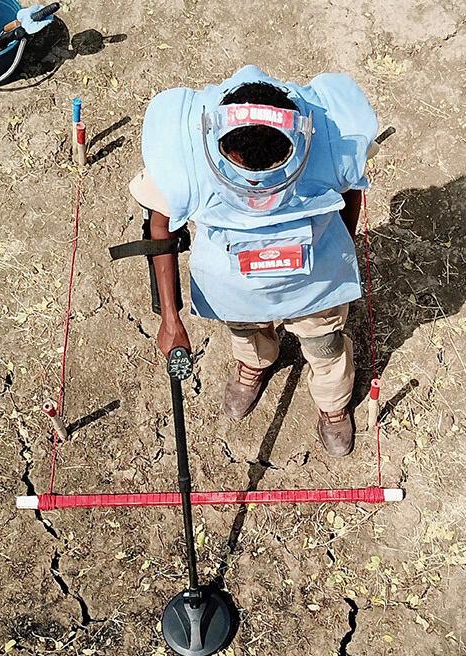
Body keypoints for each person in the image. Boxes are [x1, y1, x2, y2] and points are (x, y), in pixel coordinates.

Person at [122, 65, 378, 457]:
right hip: (233, 286)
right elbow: (161, 228)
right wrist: (170, 319)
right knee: (245, 331)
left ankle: (333, 404)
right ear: (218, 143)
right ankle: (255, 363)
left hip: (314, 285)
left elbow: (350, 195)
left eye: (269, 173)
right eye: (244, 169)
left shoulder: (331, 139)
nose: (257, 187)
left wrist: (340, 255)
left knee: (325, 345)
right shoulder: (184, 152)